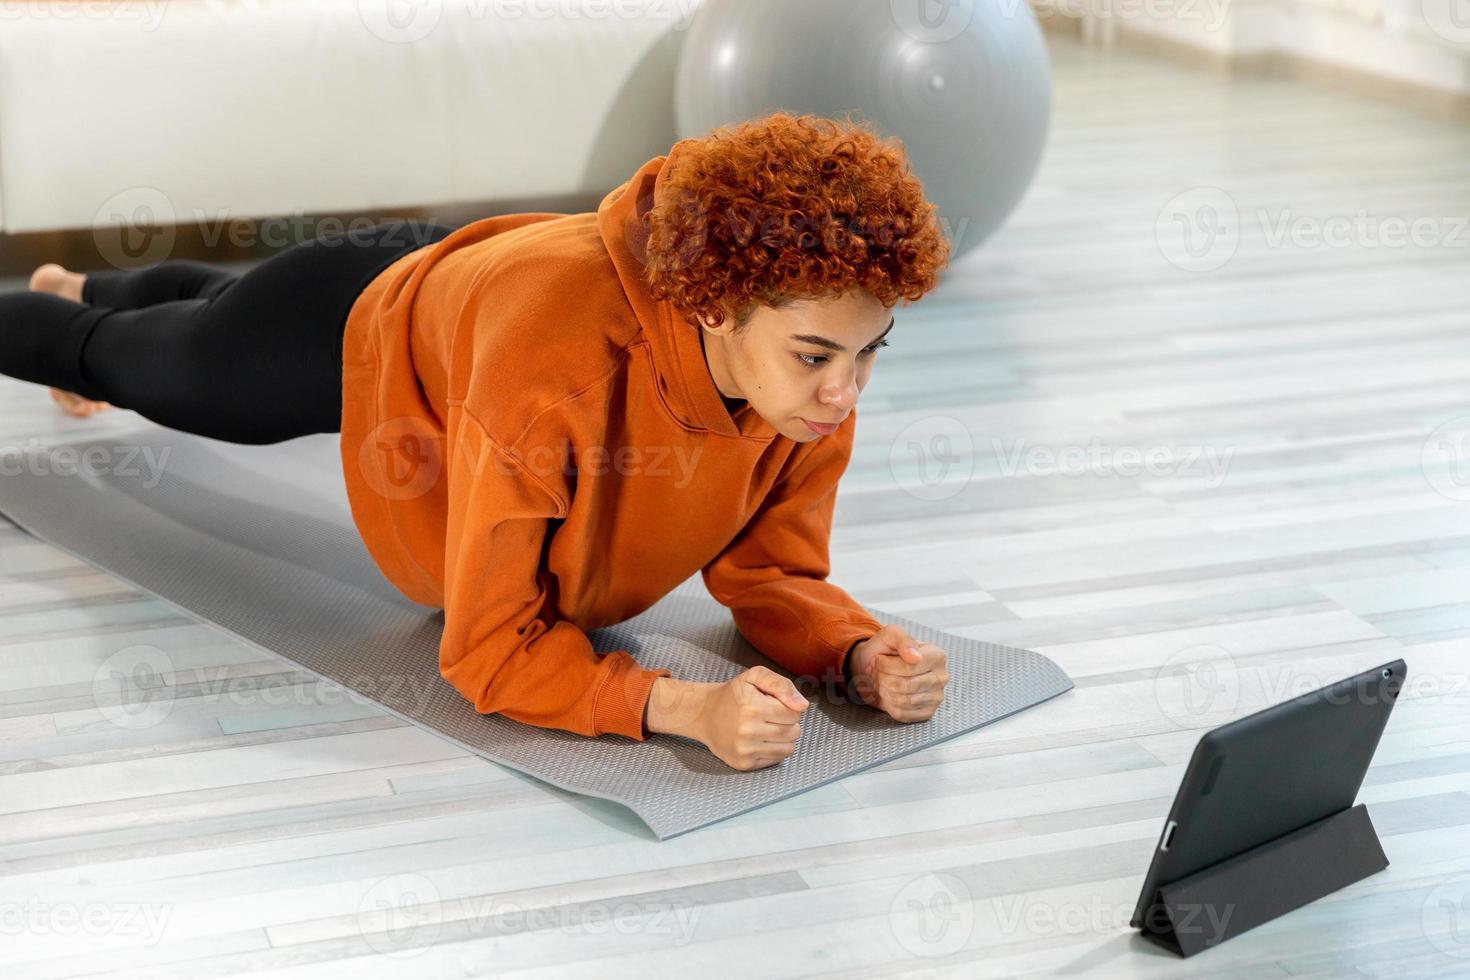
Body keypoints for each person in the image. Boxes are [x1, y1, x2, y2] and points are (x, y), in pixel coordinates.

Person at [3, 112, 953, 771]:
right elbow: (486, 650)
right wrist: (683, 706)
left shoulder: (806, 382)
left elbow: (770, 572)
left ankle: (83, 285)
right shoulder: (553, 386)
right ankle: (73, 312)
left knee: (210, 311)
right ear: (712, 305)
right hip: (348, 322)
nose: (846, 390)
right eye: (819, 354)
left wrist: (855, 651)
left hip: (464, 285)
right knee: (132, 368)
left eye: (872, 351)